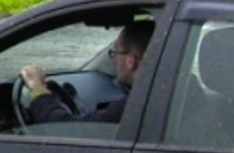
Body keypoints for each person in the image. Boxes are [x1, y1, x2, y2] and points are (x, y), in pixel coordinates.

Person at [20, 20, 155, 123]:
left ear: (131, 61)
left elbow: (68, 128)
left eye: (116, 53)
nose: (115, 60)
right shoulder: (163, 97)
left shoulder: (135, 107)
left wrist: (38, 91)